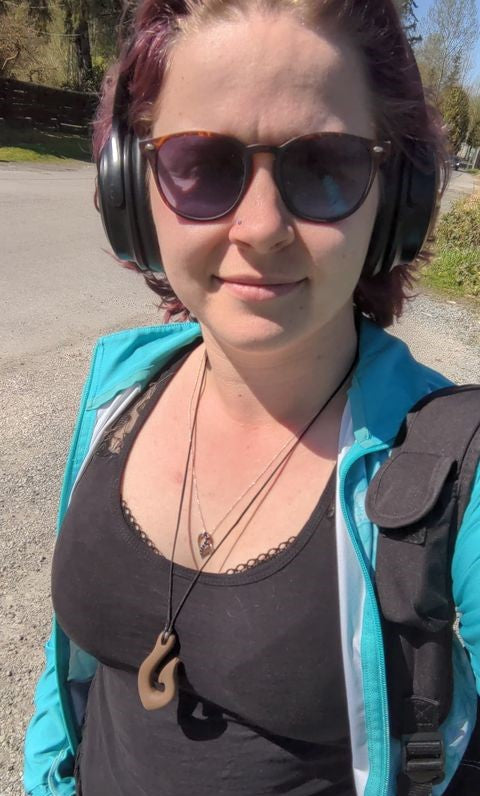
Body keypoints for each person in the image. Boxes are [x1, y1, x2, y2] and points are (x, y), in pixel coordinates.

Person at [24, 1, 480, 795]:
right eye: (203, 163)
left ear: (395, 199)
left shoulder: (456, 473)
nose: (262, 227)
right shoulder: (116, 390)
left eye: (325, 165)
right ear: (133, 185)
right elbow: (71, 673)